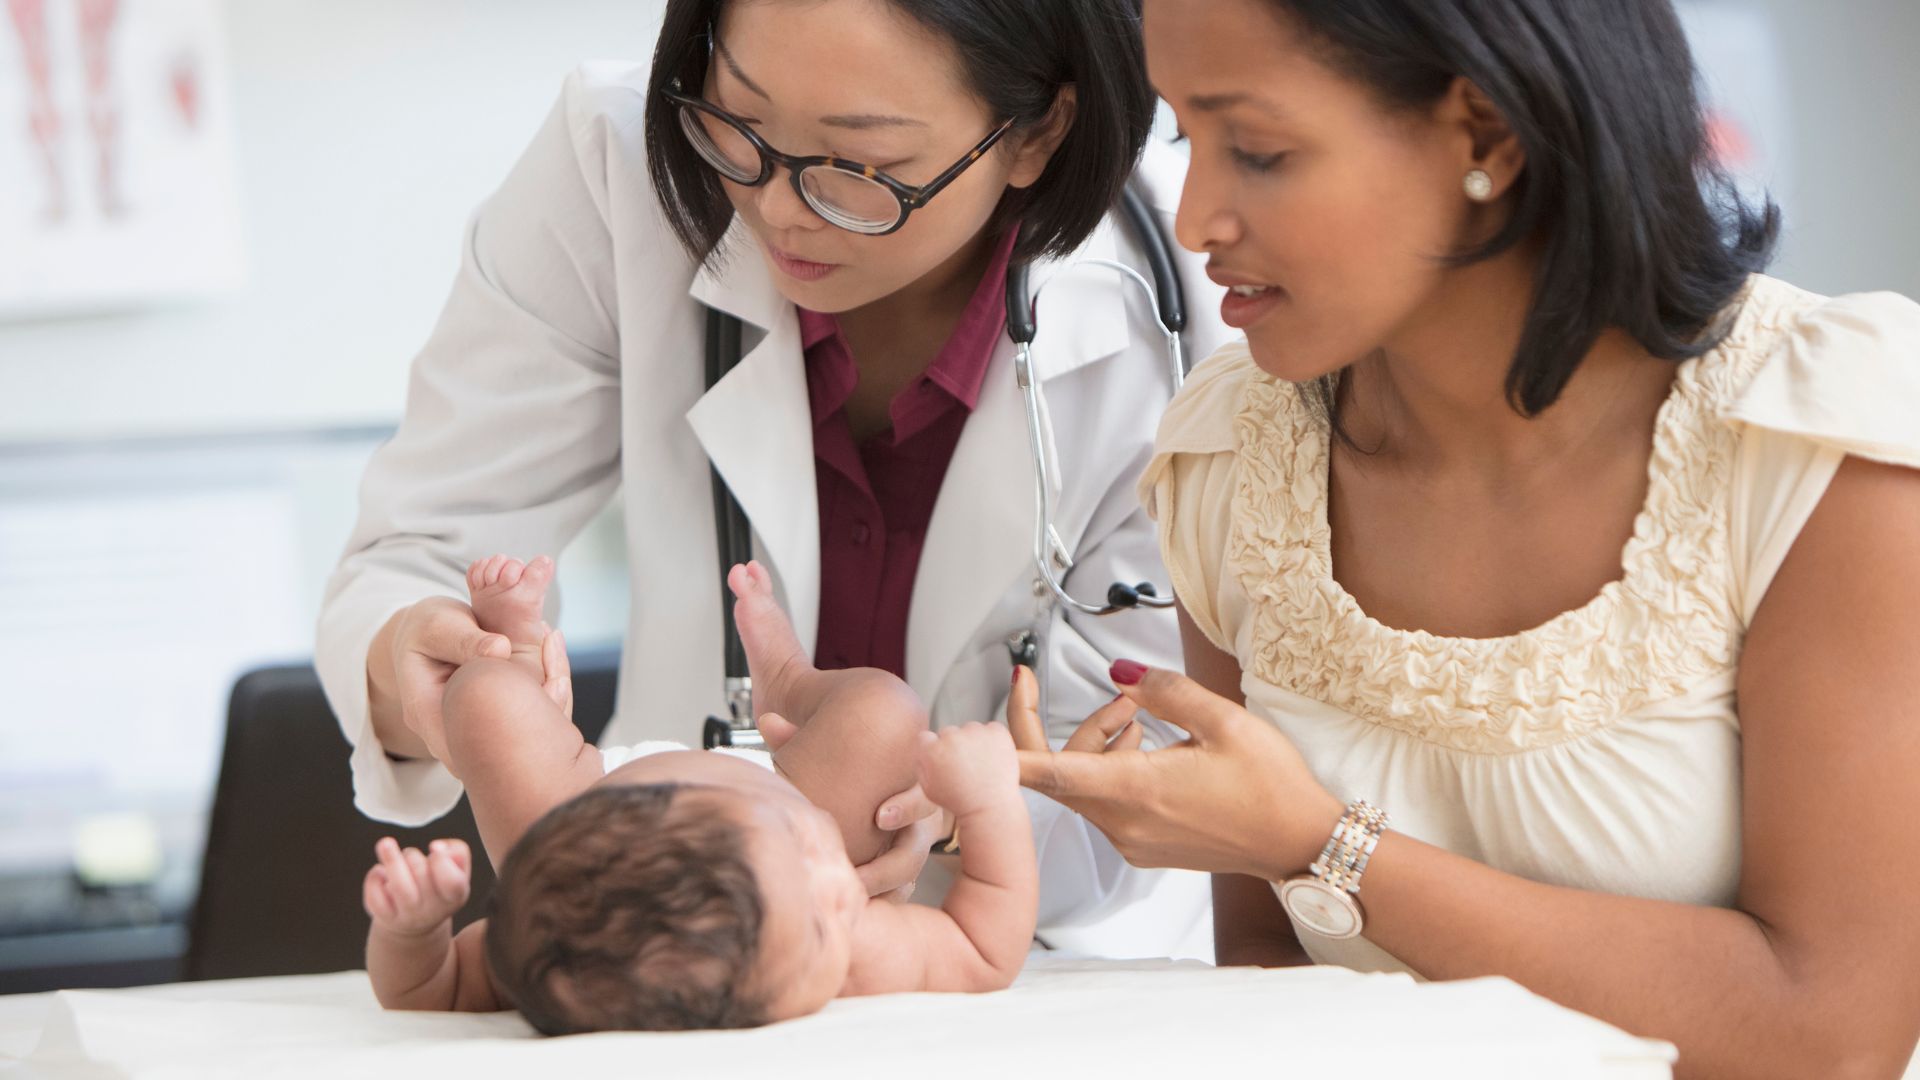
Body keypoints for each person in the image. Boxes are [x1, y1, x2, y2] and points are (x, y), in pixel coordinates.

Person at [1012, 1, 1920, 1077]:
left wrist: (1317, 843)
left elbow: (1831, 1033)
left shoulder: (1816, 438)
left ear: (1485, 134)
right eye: (1184, 140)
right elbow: (1267, 990)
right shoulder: (1235, 454)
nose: (1198, 215)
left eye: (1256, 150)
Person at [315, 0, 1232, 947]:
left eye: (861, 167)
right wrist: (416, 668)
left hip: (1039, 972)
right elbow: (415, 556)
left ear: (1039, 130)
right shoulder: (611, 167)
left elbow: (1153, 766)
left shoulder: (1202, 289)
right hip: (667, 950)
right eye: (740, 123)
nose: (781, 210)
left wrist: (951, 818)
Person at [362, 558, 1035, 1031]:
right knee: (888, 709)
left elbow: (427, 990)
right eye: (825, 922)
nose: (839, 883)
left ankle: (513, 655)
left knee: (482, 702)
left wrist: (413, 930)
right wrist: (988, 803)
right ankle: (793, 682)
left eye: (802, 851)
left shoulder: (565, 929)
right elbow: (985, 948)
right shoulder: (849, 950)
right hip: (780, 787)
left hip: (587, 800)